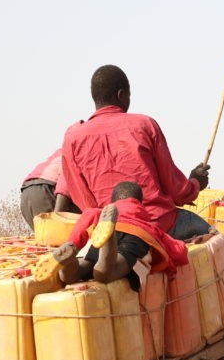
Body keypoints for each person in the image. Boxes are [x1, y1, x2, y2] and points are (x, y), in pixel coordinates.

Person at [60, 64, 211, 241]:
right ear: (121, 95)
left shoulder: (72, 137)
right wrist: (195, 182)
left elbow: (86, 202)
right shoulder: (144, 125)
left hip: (110, 231)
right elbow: (176, 189)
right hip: (158, 223)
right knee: (217, 238)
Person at [34, 181, 189, 287]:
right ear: (140, 203)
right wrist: (184, 246)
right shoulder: (149, 226)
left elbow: (87, 217)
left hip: (97, 238)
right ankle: (109, 241)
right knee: (107, 273)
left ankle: (69, 263)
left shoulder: (98, 213)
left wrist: (73, 243)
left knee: (74, 274)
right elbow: (179, 252)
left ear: (113, 201)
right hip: (136, 236)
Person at [19, 149, 77, 231]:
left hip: (26, 194)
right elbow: (64, 182)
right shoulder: (79, 152)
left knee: (45, 239)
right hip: (46, 191)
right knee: (57, 236)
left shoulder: (64, 149)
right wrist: (56, 218)